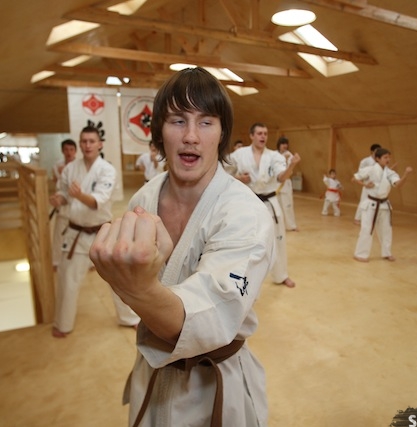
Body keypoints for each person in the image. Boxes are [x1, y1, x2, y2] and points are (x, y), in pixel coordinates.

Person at [89, 67, 275, 427]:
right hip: (152, 372)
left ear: (222, 134)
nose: (191, 136)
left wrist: (135, 288)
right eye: (177, 120)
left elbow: (210, 321)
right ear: (159, 131)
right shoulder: (144, 198)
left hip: (216, 385)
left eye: (206, 122)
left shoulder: (245, 214)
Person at [49, 126, 138, 338]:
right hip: (75, 232)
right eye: (84, 141)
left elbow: (97, 202)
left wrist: (78, 195)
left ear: (100, 144)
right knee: (67, 280)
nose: (87, 145)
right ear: (80, 144)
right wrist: (59, 199)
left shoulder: (107, 170)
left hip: (102, 232)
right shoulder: (71, 169)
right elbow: (64, 193)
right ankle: (63, 323)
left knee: (118, 278)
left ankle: (129, 317)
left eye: (91, 141)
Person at [231, 123, 300, 288]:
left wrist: (291, 165)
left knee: (278, 239)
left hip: (270, 202)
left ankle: (281, 275)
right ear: (251, 136)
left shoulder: (274, 156)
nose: (263, 136)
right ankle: (240, 277)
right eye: (259, 133)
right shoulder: (239, 154)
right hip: (247, 202)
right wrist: (239, 178)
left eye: (265, 133)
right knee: (243, 241)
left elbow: (281, 177)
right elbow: (224, 172)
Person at [352, 148, 412, 262]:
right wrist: (365, 184)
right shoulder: (370, 169)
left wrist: (405, 175)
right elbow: (354, 178)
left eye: (389, 157)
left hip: (384, 205)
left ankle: (386, 253)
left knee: (386, 230)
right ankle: (360, 254)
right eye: (385, 157)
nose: (388, 159)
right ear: (377, 159)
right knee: (366, 229)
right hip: (370, 205)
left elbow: (398, 185)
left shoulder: (390, 173)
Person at [51, 139, 77, 270]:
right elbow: (56, 182)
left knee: (81, 235)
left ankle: (89, 262)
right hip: (63, 204)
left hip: (78, 204)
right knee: (59, 234)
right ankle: (56, 261)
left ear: (75, 151)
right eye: (66, 149)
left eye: (71, 149)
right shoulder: (57, 166)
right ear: (62, 150)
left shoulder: (80, 166)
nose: (69, 152)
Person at [353, 144, 381, 225]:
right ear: (372, 151)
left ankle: (373, 219)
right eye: (377, 151)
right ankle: (357, 218)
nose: (378, 152)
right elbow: (360, 173)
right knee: (364, 201)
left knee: (376, 202)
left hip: (376, 185)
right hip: (367, 183)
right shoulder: (365, 161)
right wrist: (364, 183)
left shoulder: (379, 161)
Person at [276, 136, 298, 231]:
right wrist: (282, 158)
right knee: (276, 206)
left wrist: (284, 159)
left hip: (285, 182)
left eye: (286, 144)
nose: (284, 146)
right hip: (276, 183)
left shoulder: (290, 155)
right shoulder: (274, 154)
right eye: (282, 144)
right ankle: (277, 225)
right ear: (279, 145)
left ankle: (291, 226)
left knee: (287, 205)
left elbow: (288, 169)